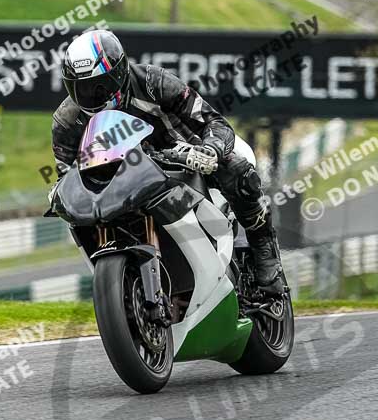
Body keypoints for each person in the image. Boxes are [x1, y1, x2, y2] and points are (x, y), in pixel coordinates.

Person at [52, 29, 283, 294]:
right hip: (121, 182)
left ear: (119, 72)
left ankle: (263, 247)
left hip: (182, 157)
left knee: (237, 170)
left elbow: (213, 120)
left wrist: (210, 149)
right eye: (81, 88)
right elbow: (68, 175)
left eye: (100, 85)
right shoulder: (67, 121)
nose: (92, 95)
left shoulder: (153, 82)